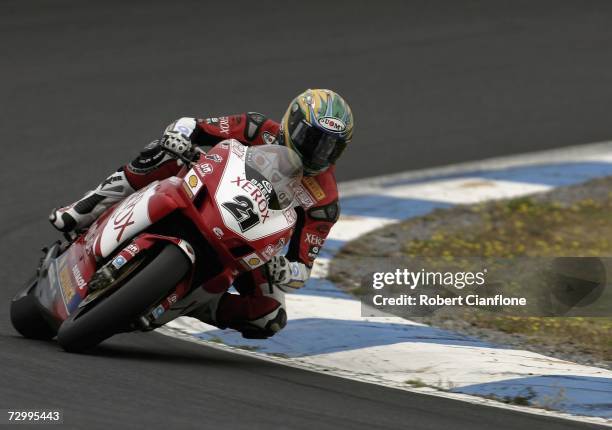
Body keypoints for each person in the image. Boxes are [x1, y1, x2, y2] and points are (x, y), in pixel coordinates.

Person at [50, 89, 353, 339]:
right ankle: (84, 209)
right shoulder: (256, 128)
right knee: (165, 151)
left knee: (269, 316)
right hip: (205, 190)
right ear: (291, 123)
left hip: (248, 240)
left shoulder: (325, 201)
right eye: (312, 139)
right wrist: (179, 136)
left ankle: (193, 301)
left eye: (330, 148)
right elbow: (192, 125)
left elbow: (303, 266)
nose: (318, 152)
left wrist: (285, 271)